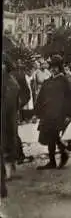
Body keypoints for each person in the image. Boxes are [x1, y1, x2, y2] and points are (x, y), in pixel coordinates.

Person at [35, 55, 71, 170]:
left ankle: (58, 157)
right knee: (50, 136)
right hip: (48, 113)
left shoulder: (64, 81)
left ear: (60, 67)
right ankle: (59, 156)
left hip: (59, 113)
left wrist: (68, 114)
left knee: (53, 135)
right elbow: (40, 97)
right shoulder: (47, 81)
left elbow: (70, 98)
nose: (53, 69)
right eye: (52, 66)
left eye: (56, 67)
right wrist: (37, 112)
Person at [1, 54, 21, 197]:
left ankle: (8, 167)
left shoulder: (11, 83)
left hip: (7, 119)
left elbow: (9, 106)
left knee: (7, 142)